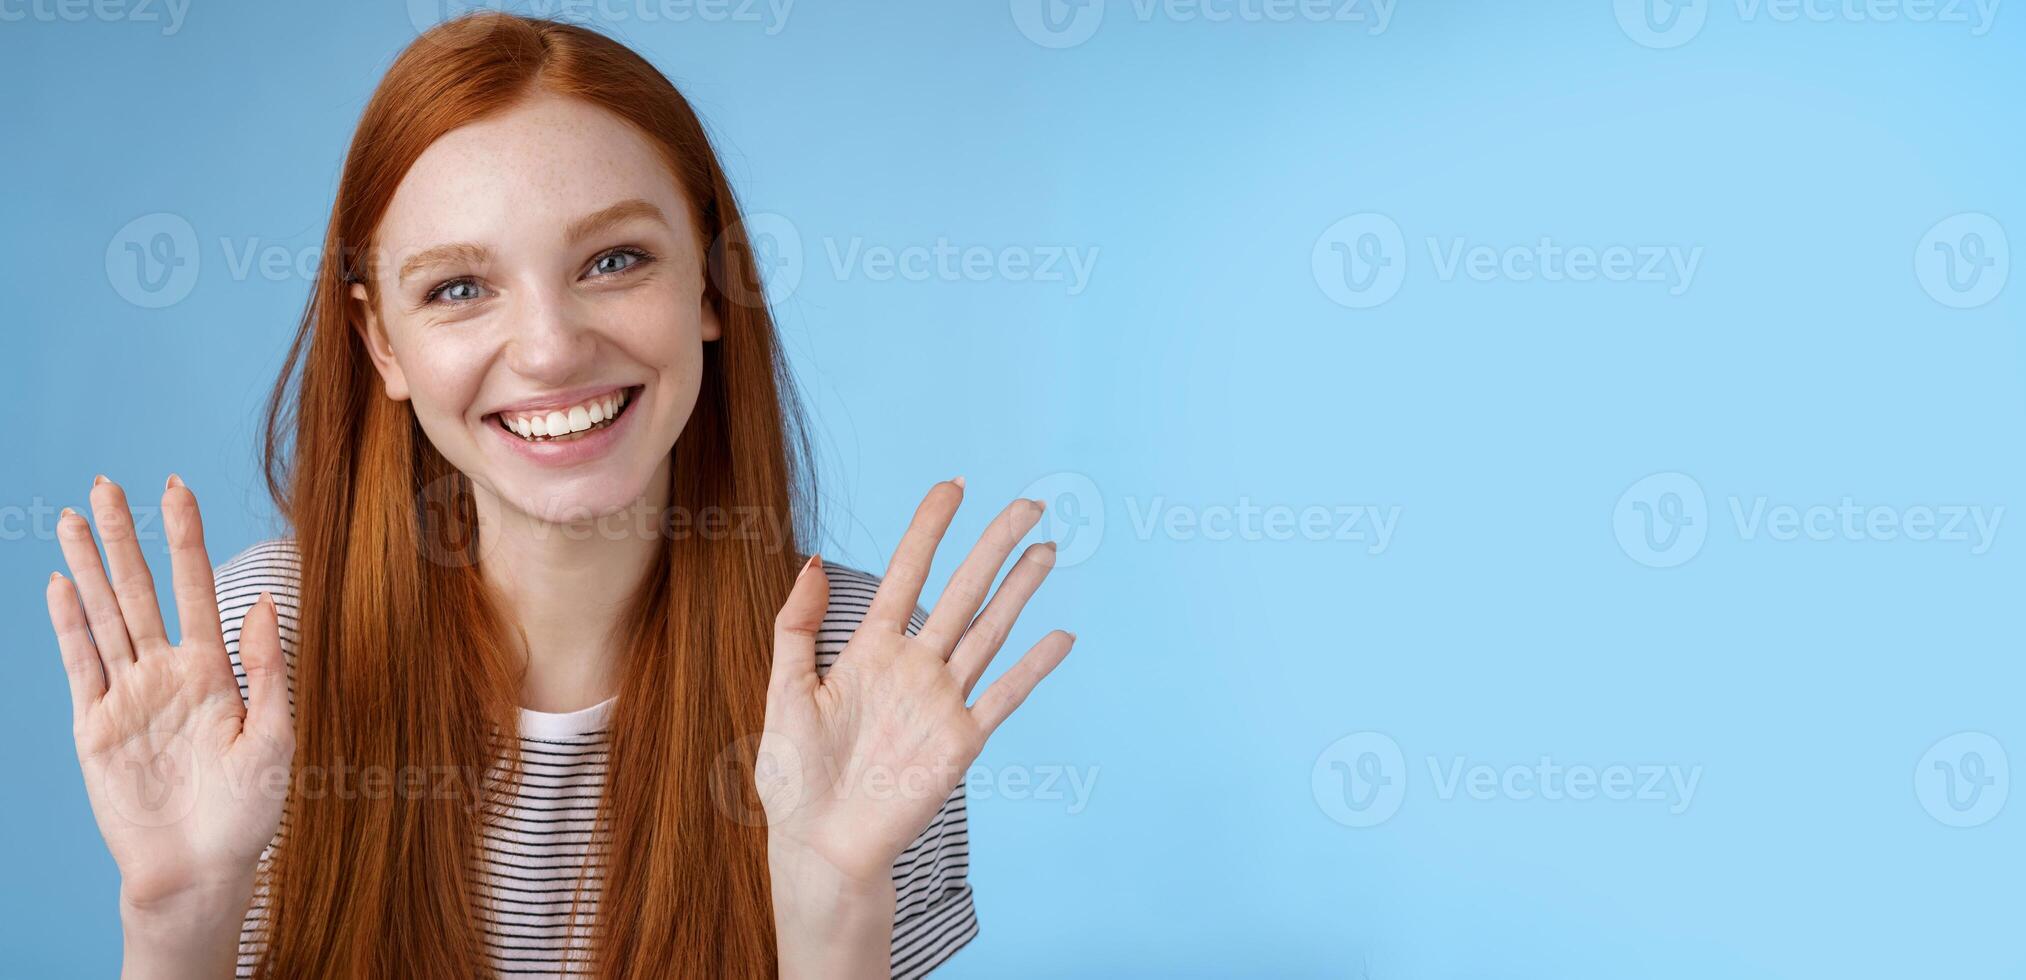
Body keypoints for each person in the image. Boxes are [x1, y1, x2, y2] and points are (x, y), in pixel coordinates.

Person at [42, 13, 1073, 978]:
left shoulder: (861, 672)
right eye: (458, 287)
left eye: (614, 260)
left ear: (710, 288)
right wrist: (178, 911)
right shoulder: (256, 652)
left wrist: (831, 900)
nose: (548, 348)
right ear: (381, 344)